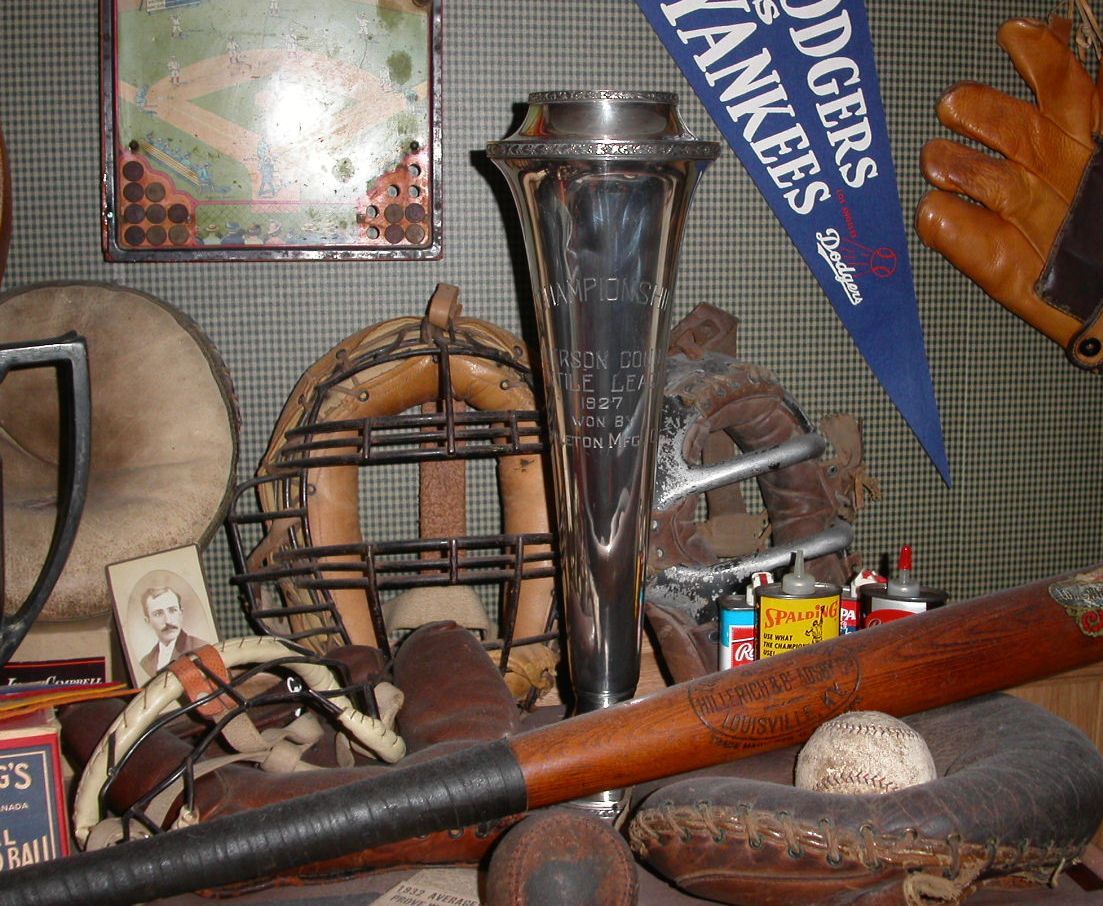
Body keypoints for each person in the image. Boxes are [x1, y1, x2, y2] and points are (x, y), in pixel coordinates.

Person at [137, 585, 208, 678]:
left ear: (181, 613)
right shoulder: (144, 663)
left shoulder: (202, 648)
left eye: (172, 610)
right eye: (158, 614)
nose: (168, 621)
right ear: (148, 621)